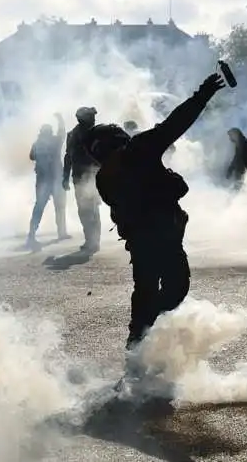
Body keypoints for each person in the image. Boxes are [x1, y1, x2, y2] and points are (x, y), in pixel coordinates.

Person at [81, 73, 225, 349]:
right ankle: (145, 329)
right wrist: (203, 94)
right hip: (163, 233)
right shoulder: (138, 149)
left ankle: (139, 336)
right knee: (175, 289)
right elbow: (176, 123)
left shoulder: (104, 176)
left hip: (142, 238)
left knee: (146, 288)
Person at [26, 114, 70, 249]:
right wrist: (60, 120)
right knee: (60, 207)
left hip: (43, 179)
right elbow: (62, 133)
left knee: (39, 208)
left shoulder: (37, 144)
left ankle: (31, 235)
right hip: (55, 178)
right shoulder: (55, 141)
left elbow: (32, 156)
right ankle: (61, 233)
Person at [63, 106, 102, 253]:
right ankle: (90, 240)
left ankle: (94, 241)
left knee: (92, 209)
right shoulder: (73, 135)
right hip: (80, 177)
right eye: (91, 117)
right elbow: (68, 157)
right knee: (85, 210)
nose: (94, 119)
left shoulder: (97, 133)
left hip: (94, 176)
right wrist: (65, 177)